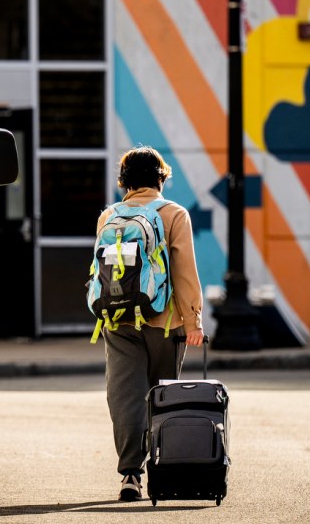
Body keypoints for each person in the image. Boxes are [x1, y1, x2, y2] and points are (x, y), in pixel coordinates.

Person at [98, 146, 205, 501]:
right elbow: (184, 272)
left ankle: (130, 473)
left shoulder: (109, 216)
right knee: (162, 396)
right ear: (161, 177)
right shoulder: (174, 214)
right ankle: (163, 471)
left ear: (123, 179)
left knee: (125, 397)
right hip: (164, 321)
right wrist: (193, 320)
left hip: (118, 319)